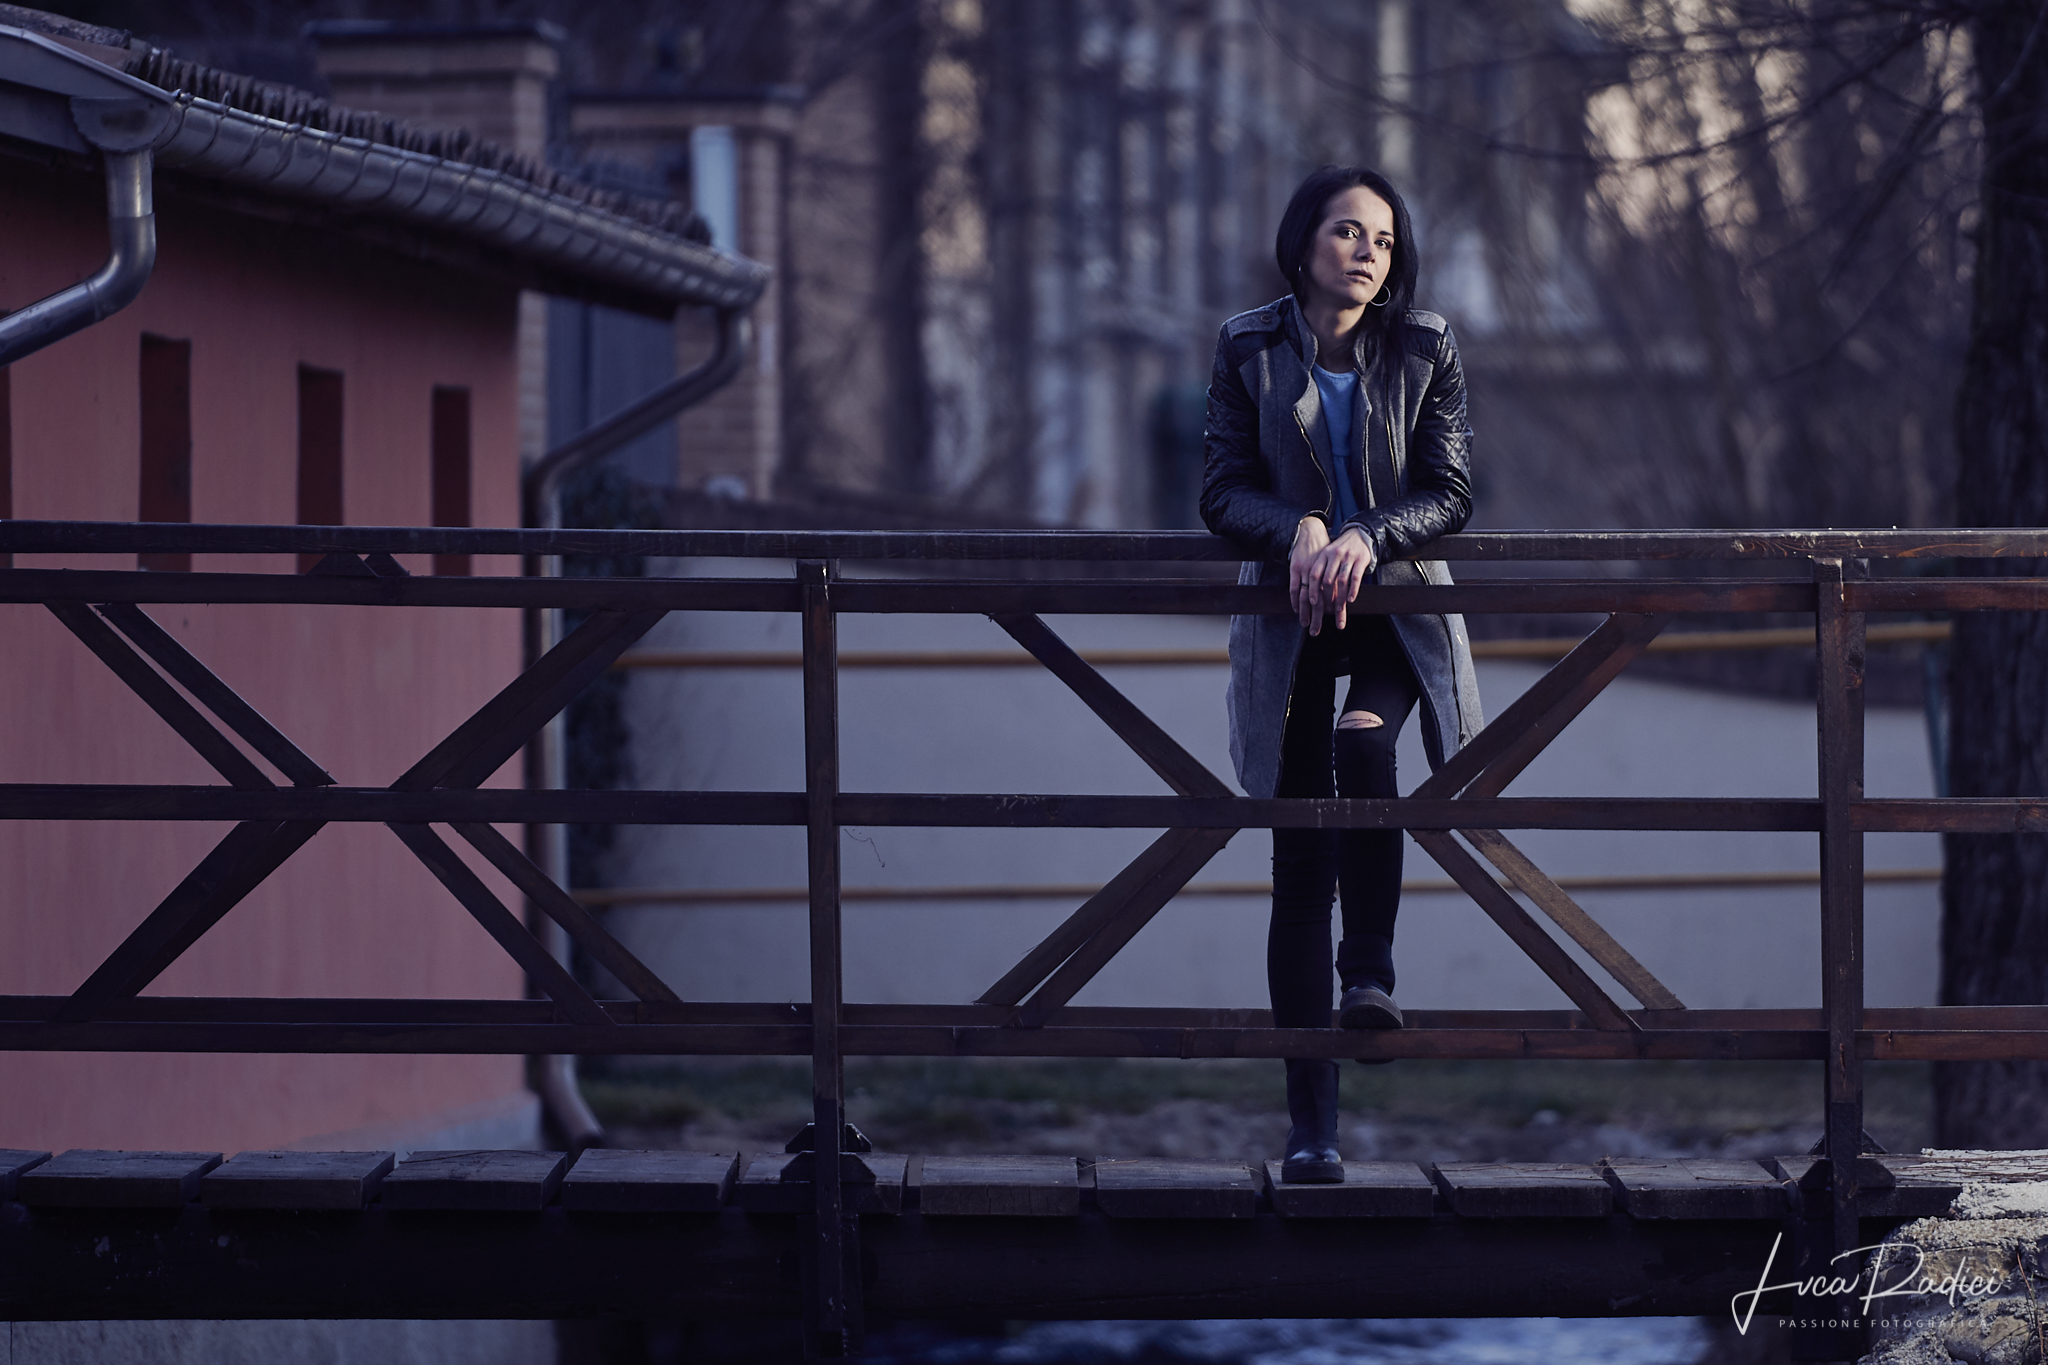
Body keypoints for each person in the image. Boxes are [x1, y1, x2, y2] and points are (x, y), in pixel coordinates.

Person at [1198, 165, 1484, 1184]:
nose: (1366, 252)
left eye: (1382, 240)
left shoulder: (1424, 345)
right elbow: (1221, 490)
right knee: (1294, 864)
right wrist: (1302, 528)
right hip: (1292, 619)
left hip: (1396, 613)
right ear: (1302, 242)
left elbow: (1449, 491)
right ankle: (1309, 1127)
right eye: (1346, 233)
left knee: (1362, 746)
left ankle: (1368, 968)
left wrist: (1362, 534)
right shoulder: (1245, 344)